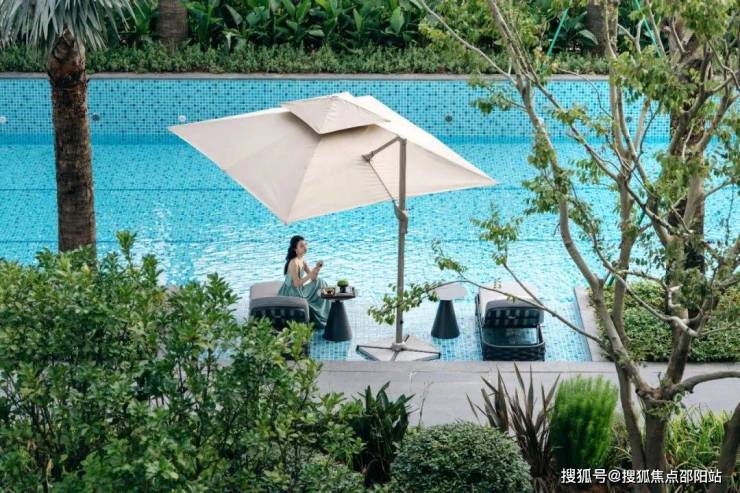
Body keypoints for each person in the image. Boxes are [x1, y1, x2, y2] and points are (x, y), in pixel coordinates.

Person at [278, 235, 331, 331]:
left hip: (300, 289)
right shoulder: (293, 262)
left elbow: (313, 278)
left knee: (321, 282)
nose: (305, 247)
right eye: (301, 246)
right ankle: (321, 315)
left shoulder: (302, 260)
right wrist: (310, 274)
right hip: (291, 292)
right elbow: (296, 283)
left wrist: (318, 268)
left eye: (305, 244)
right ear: (295, 249)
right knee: (311, 301)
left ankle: (327, 311)